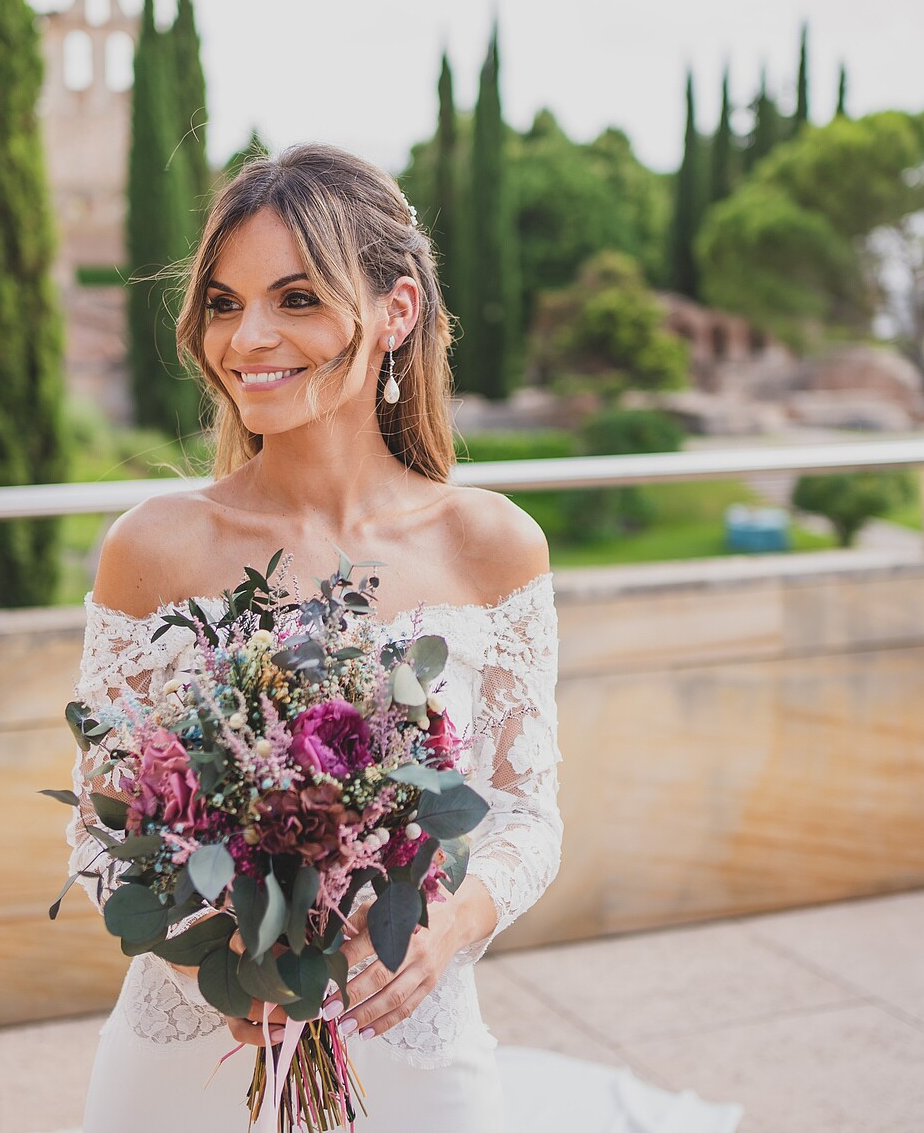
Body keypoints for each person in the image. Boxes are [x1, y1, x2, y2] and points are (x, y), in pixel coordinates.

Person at [66, 144, 740, 1132]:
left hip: (412, 1043)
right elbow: (99, 826)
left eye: (296, 299)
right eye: (222, 302)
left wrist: (442, 925)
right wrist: (209, 951)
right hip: (192, 1060)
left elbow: (523, 812)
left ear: (395, 310)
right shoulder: (152, 550)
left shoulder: (491, 547)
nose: (248, 336)